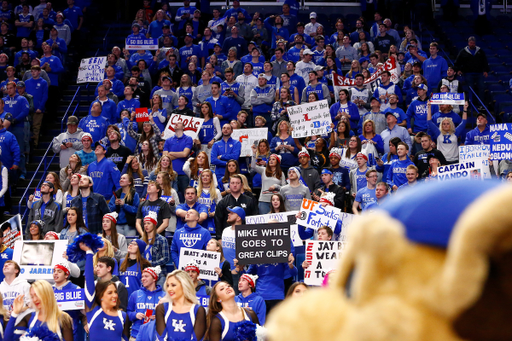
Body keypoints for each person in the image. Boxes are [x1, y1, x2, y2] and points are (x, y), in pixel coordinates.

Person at [81, 246, 129, 340]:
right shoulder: (93, 310)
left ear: (109, 268)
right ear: (101, 295)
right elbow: (89, 279)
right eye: (110, 293)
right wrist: (89, 252)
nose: (115, 295)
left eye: (115, 292)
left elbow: (125, 338)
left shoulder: (122, 316)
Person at [4, 280, 73, 341]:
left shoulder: (63, 318)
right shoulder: (29, 317)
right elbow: (8, 339)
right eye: (32, 296)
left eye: (37, 295)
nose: (34, 300)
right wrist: (15, 313)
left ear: (47, 295)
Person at [127, 265, 165, 340]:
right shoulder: (135, 294)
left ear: (154, 278)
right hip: (136, 334)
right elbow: (127, 313)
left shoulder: (164, 296)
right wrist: (135, 315)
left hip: (154, 335)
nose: (143, 279)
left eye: (146, 276)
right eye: (142, 276)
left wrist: (159, 318)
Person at [454, 36, 489, 104]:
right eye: (471, 43)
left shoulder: (480, 51)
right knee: (469, 89)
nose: (472, 44)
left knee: (481, 87)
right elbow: (457, 62)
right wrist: (458, 70)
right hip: (468, 73)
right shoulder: (463, 52)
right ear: (468, 43)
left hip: (479, 73)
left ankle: (480, 104)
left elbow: (485, 61)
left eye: (473, 43)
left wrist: (485, 70)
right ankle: (469, 103)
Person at [163, 121, 193, 201]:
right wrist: (181, 153)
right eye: (175, 123)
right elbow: (165, 157)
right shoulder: (168, 140)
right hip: (170, 174)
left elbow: (185, 154)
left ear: (183, 127)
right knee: (170, 197)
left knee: (185, 197)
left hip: (183, 174)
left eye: (179, 123)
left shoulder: (188, 139)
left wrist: (172, 153)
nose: (175, 124)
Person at [141, 210, 170, 286]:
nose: (146, 226)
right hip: (144, 273)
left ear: (154, 225)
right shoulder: (141, 240)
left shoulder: (162, 239)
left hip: (159, 274)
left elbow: (166, 258)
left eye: (148, 223)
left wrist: (151, 264)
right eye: (144, 224)